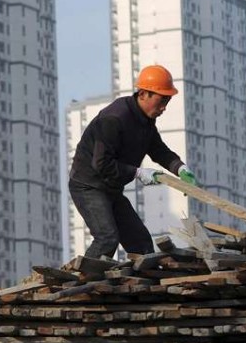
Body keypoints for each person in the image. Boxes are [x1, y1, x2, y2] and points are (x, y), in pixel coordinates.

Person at [68, 64, 197, 258]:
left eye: (167, 101)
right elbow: (101, 164)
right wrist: (137, 172)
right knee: (107, 239)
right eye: (162, 100)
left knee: (141, 243)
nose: (164, 107)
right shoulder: (114, 118)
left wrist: (181, 169)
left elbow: (159, 151)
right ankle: (82, 281)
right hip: (88, 186)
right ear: (144, 94)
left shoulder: (145, 121)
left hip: (111, 189)